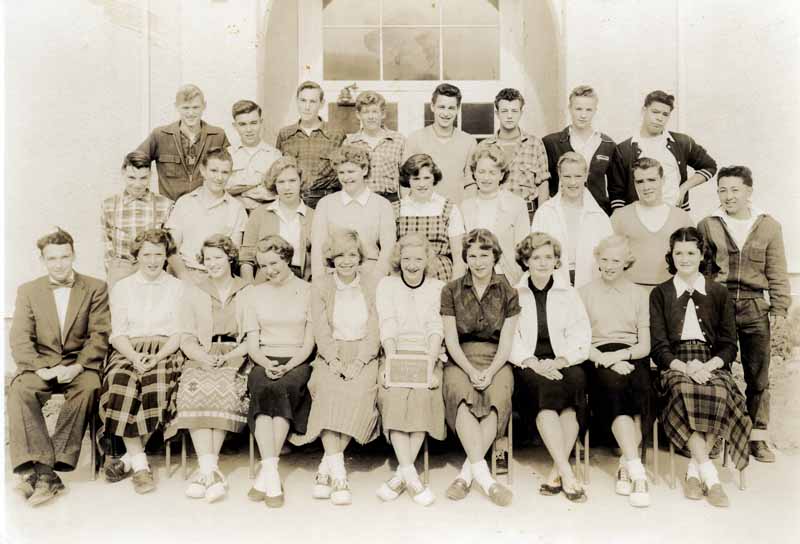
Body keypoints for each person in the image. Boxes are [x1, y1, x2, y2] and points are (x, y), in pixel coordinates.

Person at [650, 227, 751, 507]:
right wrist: (686, 367)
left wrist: (709, 366)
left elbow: (730, 344)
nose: (684, 258)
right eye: (678, 253)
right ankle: (712, 477)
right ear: (671, 255)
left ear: (702, 254)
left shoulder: (718, 292)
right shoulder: (661, 293)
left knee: (719, 393)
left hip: (712, 362)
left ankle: (695, 472)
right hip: (676, 364)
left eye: (691, 252)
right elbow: (659, 348)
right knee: (683, 391)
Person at [8, 228, 110, 506]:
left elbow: (99, 335)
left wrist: (77, 367)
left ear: (73, 255)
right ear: (42, 260)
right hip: (41, 365)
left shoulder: (96, 287)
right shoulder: (28, 290)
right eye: (52, 259)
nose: (59, 264)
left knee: (89, 387)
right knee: (20, 390)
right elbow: (19, 338)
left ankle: (45, 470)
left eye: (65, 257)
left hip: (79, 365)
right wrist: (41, 369)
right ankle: (45, 473)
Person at [698, 166, 790, 463]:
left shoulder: (769, 226)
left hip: (754, 306)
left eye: (735, 190)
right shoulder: (708, 224)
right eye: (722, 190)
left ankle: (757, 437)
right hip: (719, 304)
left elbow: (776, 270)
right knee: (715, 372)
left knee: (757, 375)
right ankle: (715, 436)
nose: (728, 196)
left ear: (749, 191)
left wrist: (779, 306)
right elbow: (703, 270)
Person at [291, 230, 381, 506]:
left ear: (360, 257)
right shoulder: (320, 285)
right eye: (340, 255)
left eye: (352, 254)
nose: (346, 261)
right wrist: (334, 360)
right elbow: (320, 329)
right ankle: (339, 471)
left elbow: (376, 329)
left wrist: (360, 361)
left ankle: (326, 467)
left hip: (364, 354)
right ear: (331, 258)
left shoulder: (373, 283)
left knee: (358, 393)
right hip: (332, 353)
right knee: (329, 391)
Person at [166, 234, 251, 502]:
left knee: (225, 384)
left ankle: (207, 471)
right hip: (202, 354)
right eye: (207, 259)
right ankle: (209, 469)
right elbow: (186, 336)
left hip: (237, 354)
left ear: (230, 258)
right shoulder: (194, 290)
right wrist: (202, 357)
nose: (212, 263)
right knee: (194, 386)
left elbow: (252, 337)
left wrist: (232, 356)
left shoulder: (246, 290)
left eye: (218, 257)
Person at [98, 229, 184, 494]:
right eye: (146, 254)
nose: (152, 260)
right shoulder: (123, 287)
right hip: (128, 349)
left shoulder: (178, 287)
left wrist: (157, 356)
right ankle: (142, 467)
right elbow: (118, 333)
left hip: (165, 349)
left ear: (166, 257)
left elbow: (179, 332)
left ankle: (130, 459)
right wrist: (135, 356)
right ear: (137, 256)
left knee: (155, 384)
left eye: (158, 254)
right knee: (121, 381)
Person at [509, 232, 591, 503]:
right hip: (529, 364)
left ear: (557, 261)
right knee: (545, 396)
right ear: (526, 261)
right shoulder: (514, 293)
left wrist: (561, 360)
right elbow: (509, 337)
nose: (543, 263)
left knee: (571, 397)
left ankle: (557, 471)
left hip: (565, 361)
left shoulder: (568, 293)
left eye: (548, 257)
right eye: (536, 257)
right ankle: (568, 473)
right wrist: (532, 362)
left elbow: (581, 333)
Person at [441, 228, 518, 507]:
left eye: (484, 254)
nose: (478, 261)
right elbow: (450, 339)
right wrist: (471, 370)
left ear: (495, 255)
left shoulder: (509, 291)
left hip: (497, 359)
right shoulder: (450, 290)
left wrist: (492, 369)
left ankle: (466, 474)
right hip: (460, 358)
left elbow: (507, 343)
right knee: (461, 394)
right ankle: (486, 479)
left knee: (496, 397)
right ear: (465, 258)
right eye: (472, 255)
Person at [578, 235, 652, 507]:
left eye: (616, 261)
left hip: (631, 354)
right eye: (605, 259)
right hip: (597, 356)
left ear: (626, 263)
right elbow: (579, 340)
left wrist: (621, 356)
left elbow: (644, 345)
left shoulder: (638, 294)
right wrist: (607, 360)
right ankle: (637, 471)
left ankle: (625, 463)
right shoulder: (583, 293)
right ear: (597, 259)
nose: (609, 265)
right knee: (615, 388)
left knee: (642, 390)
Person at [243, 235, 315, 507]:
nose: (269, 270)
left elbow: (309, 341)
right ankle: (272, 471)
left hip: (297, 359)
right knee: (263, 387)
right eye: (263, 265)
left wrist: (290, 364)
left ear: (286, 258)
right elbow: (252, 342)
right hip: (264, 358)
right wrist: (265, 362)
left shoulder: (307, 290)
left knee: (283, 387)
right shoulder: (254, 293)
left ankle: (266, 474)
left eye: (274, 263)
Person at [375, 234, 446, 506]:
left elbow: (434, 327)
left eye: (418, 259)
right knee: (393, 396)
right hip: (394, 351)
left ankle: (401, 475)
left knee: (422, 397)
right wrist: (392, 363)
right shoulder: (387, 285)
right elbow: (388, 324)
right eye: (406, 259)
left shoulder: (438, 287)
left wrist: (429, 366)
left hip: (427, 354)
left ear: (427, 260)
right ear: (398, 260)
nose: (412, 265)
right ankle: (411, 475)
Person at [608, 90, 716, 212]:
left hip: (675, 214)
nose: (659, 118)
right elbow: (616, 194)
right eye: (655, 112)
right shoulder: (624, 149)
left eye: (665, 114)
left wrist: (684, 188)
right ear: (644, 111)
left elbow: (710, 166)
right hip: (639, 218)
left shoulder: (681, 142)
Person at [310, 145, 396, 280]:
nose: (346, 177)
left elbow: (388, 248)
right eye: (341, 173)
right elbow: (317, 247)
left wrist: (377, 277)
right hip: (334, 275)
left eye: (351, 171)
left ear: (364, 170)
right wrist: (319, 280)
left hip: (371, 274)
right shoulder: (325, 204)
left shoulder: (382, 204)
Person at [166, 147, 247, 282]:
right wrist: (185, 277)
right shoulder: (184, 202)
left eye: (225, 172)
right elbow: (171, 249)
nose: (219, 177)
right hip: (184, 274)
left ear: (230, 174)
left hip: (218, 278)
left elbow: (232, 254)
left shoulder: (237, 208)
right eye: (214, 171)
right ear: (203, 171)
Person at [136, 84, 230, 201]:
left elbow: (230, 172)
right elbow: (135, 164)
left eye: (195, 107)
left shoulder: (218, 136)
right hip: (171, 209)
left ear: (204, 106)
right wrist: (145, 198)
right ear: (176, 107)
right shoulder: (160, 135)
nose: (190, 113)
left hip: (207, 208)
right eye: (185, 108)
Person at [531, 152, 612, 287]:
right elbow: (535, 253)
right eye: (567, 176)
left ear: (586, 176)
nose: (573, 182)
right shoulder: (545, 212)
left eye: (578, 176)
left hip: (590, 284)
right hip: (553, 284)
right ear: (559, 176)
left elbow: (608, 255)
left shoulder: (599, 216)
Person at [611, 157, 693, 289]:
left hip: (670, 292)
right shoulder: (620, 216)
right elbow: (607, 256)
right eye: (640, 181)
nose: (646, 187)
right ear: (634, 184)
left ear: (663, 180)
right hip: (630, 291)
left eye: (651, 180)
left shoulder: (681, 217)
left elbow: (694, 257)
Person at [101, 151, 173, 287]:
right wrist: (114, 271)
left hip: (153, 269)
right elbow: (107, 243)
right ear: (123, 173)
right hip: (121, 269)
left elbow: (169, 247)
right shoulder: (109, 205)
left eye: (143, 178)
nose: (137, 184)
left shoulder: (165, 205)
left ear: (150, 175)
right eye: (132, 178)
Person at [460, 145, 530, 285]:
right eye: (481, 171)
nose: (486, 178)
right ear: (474, 173)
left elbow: (523, 250)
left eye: (492, 172)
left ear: (502, 174)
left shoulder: (517, 204)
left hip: (507, 278)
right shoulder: (465, 206)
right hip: (473, 278)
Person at [543, 85, 616, 215]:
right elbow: (544, 184)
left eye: (588, 110)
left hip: (596, 214)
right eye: (578, 109)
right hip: (561, 213)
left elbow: (615, 189)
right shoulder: (550, 143)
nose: (583, 115)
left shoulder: (607, 145)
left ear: (595, 111)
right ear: (570, 109)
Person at [478, 88, 550, 218]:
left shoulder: (535, 144)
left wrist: (541, 217)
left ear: (521, 113)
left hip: (528, 214)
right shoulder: (484, 146)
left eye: (514, 111)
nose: (509, 116)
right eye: (504, 111)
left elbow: (543, 184)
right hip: (493, 213)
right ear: (497, 113)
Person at [393, 154, 466, 281]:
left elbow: (459, 256)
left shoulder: (449, 208)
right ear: (408, 180)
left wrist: (453, 290)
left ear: (434, 179)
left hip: (441, 273)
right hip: (405, 273)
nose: (422, 184)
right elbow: (391, 255)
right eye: (416, 179)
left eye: (426, 178)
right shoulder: (396, 209)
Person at [240, 157, 313, 282]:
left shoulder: (313, 216)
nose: (287, 187)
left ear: (301, 182)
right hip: (265, 282)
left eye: (292, 181)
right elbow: (246, 259)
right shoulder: (259, 214)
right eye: (281, 182)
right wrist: (250, 288)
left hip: (302, 283)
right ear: (274, 184)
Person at [276, 81, 345, 209]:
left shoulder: (336, 134)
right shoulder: (285, 134)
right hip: (293, 202)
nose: (307, 107)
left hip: (326, 202)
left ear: (321, 104)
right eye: (303, 100)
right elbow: (279, 172)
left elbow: (343, 174)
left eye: (312, 102)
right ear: (297, 101)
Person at [404, 83, 476, 204]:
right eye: (441, 107)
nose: (446, 113)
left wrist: (466, 212)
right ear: (432, 106)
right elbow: (406, 182)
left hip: (456, 212)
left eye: (451, 108)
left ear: (458, 109)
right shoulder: (415, 139)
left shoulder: (469, 141)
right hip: (423, 212)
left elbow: (471, 183)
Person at [343, 90, 405, 203]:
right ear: (358, 115)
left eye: (375, 111)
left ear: (383, 114)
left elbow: (405, 179)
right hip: (360, 201)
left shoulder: (398, 140)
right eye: (366, 112)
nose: (371, 117)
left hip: (391, 201)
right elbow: (345, 179)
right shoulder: (349, 143)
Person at [226, 99, 283, 213]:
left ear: (261, 122)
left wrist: (240, 190)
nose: (249, 130)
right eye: (242, 124)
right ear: (234, 126)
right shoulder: (228, 155)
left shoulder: (274, 155)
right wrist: (258, 183)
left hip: (264, 215)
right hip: (232, 216)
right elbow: (223, 188)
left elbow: (276, 192)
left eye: (253, 123)